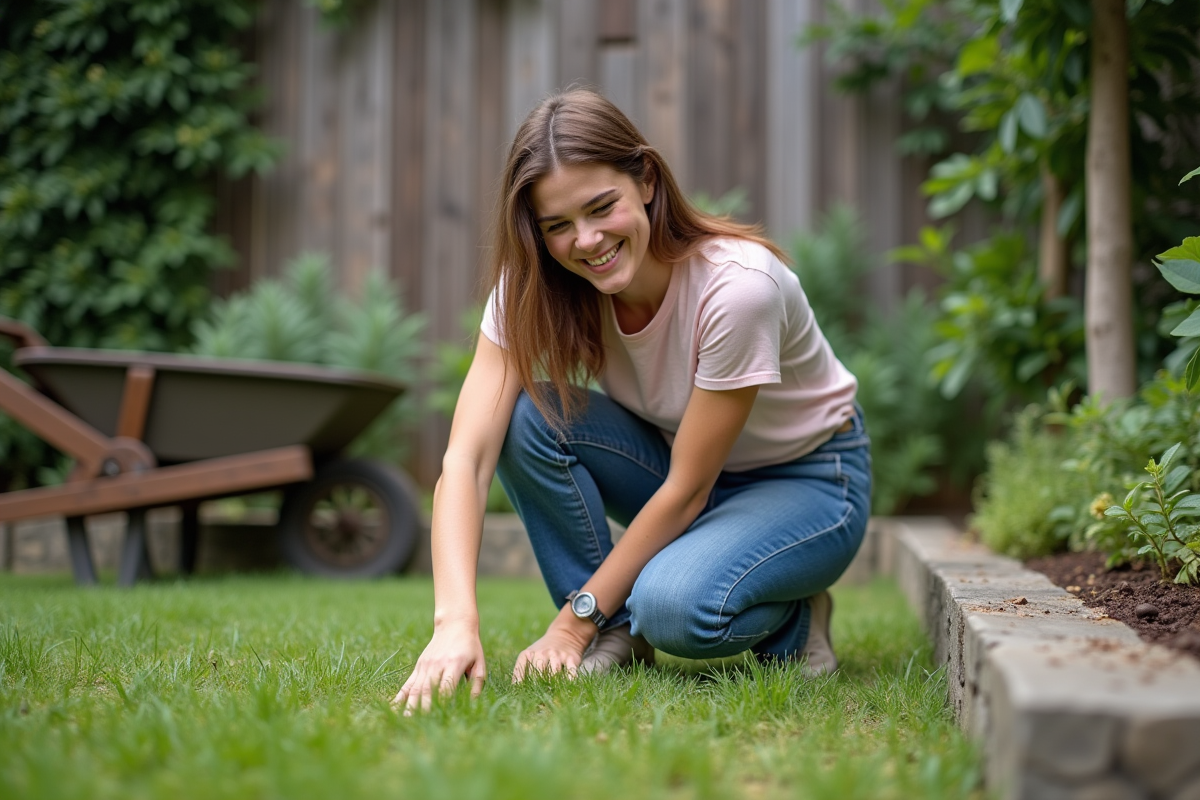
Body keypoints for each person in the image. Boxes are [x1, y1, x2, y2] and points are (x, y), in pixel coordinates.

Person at [393, 89, 870, 713]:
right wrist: (453, 622)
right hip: (681, 468)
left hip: (809, 481)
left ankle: (796, 618)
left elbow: (687, 492)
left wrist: (570, 622)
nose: (586, 241)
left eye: (601, 207)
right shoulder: (535, 289)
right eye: (557, 226)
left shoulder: (738, 290)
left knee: (674, 608)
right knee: (527, 419)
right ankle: (617, 635)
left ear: (645, 179)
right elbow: (467, 459)